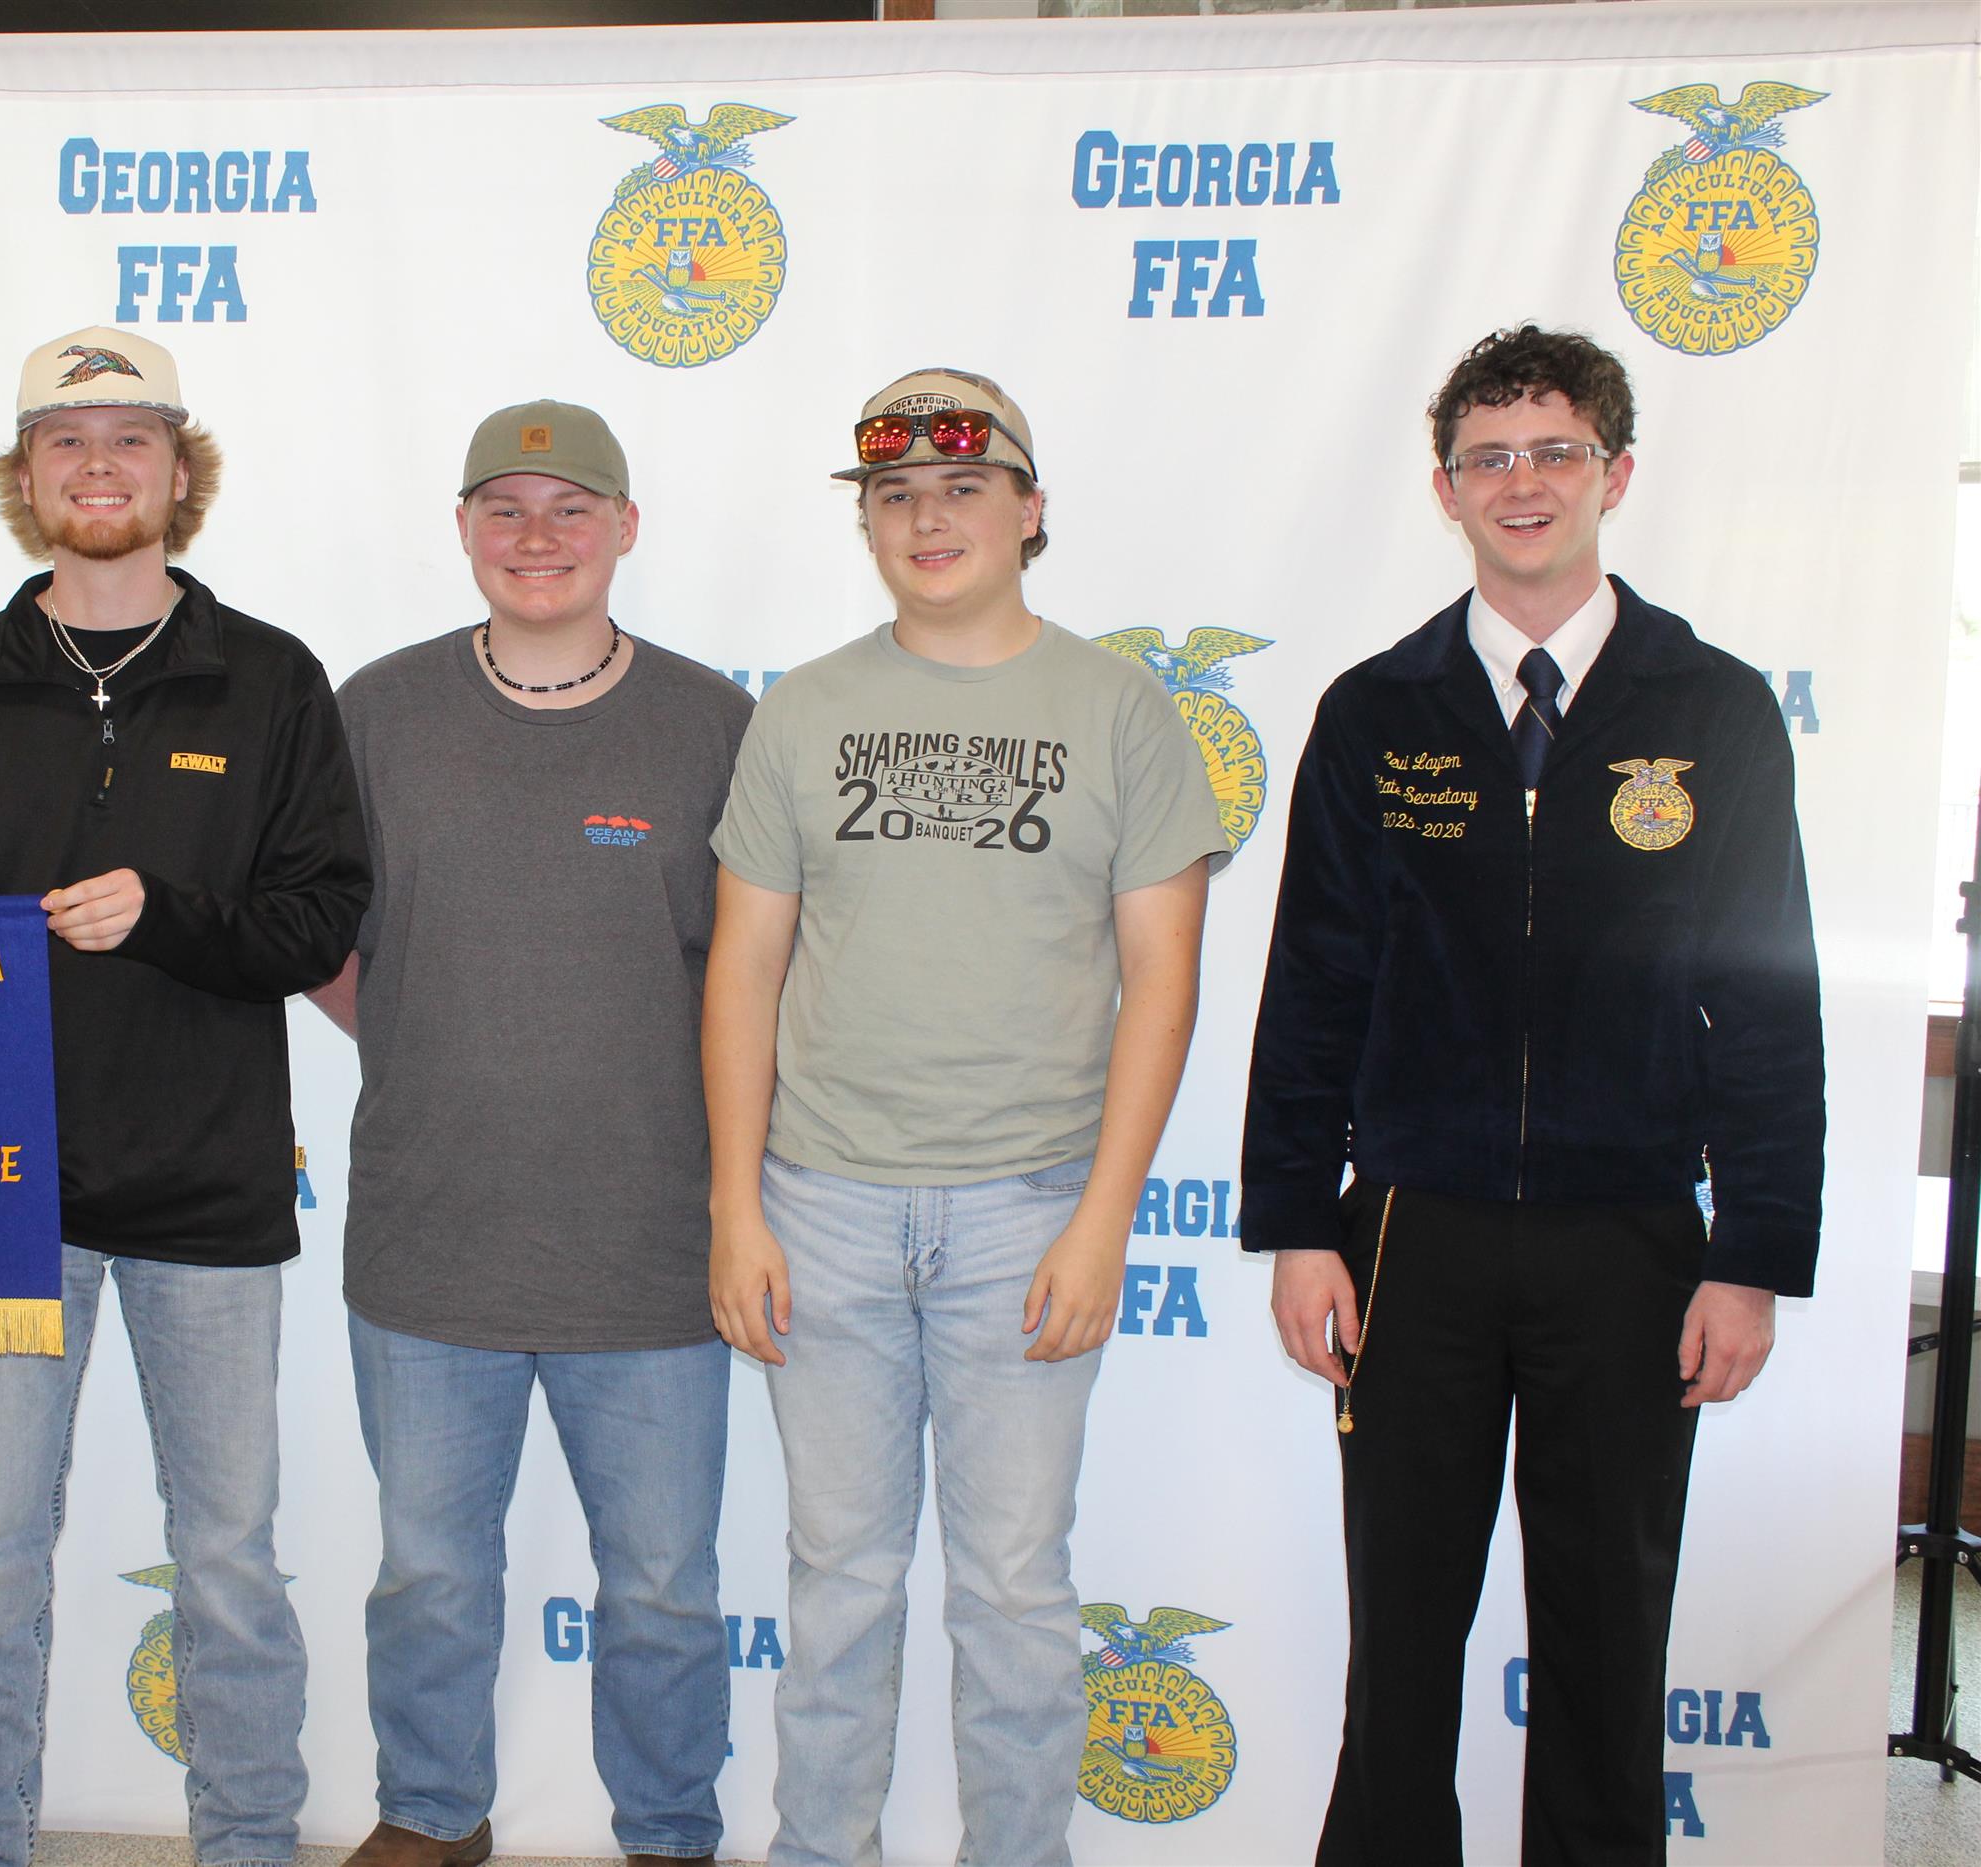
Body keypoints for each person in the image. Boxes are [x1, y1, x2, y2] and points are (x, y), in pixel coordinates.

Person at [1239, 323, 1825, 1867]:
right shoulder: (1377, 711)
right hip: (1411, 1235)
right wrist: (1296, 1223)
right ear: (1445, 488)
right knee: (1401, 1637)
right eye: (1488, 457)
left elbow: (1769, 1001)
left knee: (1607, 1637)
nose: (1523, 482)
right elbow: (1314, 984)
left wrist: (1754, 1252)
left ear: (1614, 474)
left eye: (1556, 451)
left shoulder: (1712, 708)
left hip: (1629, 1238)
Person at [703, 367, 1225, 1866]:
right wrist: (736, 1207)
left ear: (1029, 510)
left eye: (964, 489)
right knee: (838, 1584)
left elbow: (1164, 982)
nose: (928, 519)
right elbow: (743, 967)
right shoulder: (804, 710)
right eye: (896, 495)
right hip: (821, 1207)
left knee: (1012, 1589)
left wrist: (1105, 1222)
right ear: (868, 521)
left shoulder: (1121, 710)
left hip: (1029, 1212)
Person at [0, 326, 368, 1867]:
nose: (99, 466)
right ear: (27, 478)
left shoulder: (271, 679)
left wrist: (166, 914)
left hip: (209, 1194)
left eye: (131, 439)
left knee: (228, 1560)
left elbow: (319, 923)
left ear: (180, 468)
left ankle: (249, 1844)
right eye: (67, 442)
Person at [307, 401, 753, 1867]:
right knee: (429, 1576)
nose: (538, 536)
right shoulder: (375, 713)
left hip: (654, 1246)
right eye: (505, 507)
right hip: (430, 1238)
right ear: (462, 529)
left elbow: (755, 970)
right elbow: (322, 937)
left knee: (665, 1588)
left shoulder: (713, 725)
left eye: (572, 509)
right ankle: (432, 1818)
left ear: (626, 528)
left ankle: (671, 1832)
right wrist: (437, 1033)